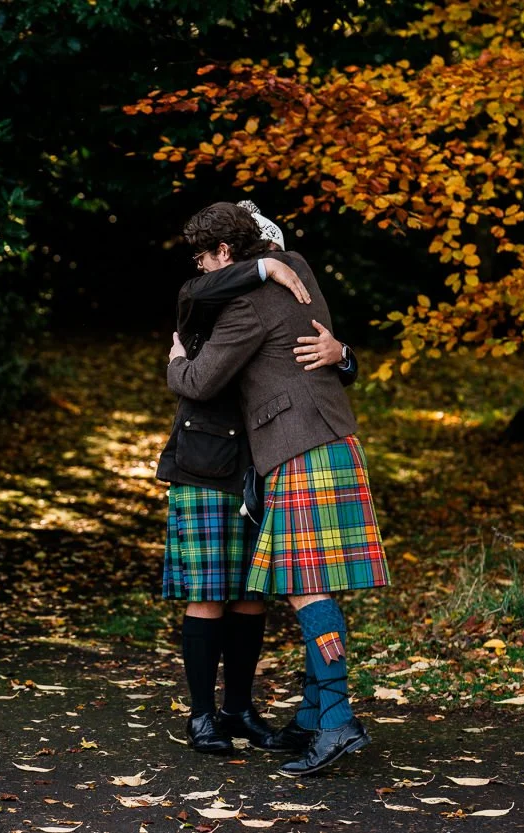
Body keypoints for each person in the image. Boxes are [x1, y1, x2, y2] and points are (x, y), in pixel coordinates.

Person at [167, 202, 389, 776]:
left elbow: (197, 379)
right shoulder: (296, 268)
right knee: (309, 581)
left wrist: (174, 360)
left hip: (297, 446)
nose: (202, 267)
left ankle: (336, 720)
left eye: (206, 256)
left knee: (303, 585)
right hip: (328, 437)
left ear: (226, 253)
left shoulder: (245, 306)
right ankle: (316, 714)